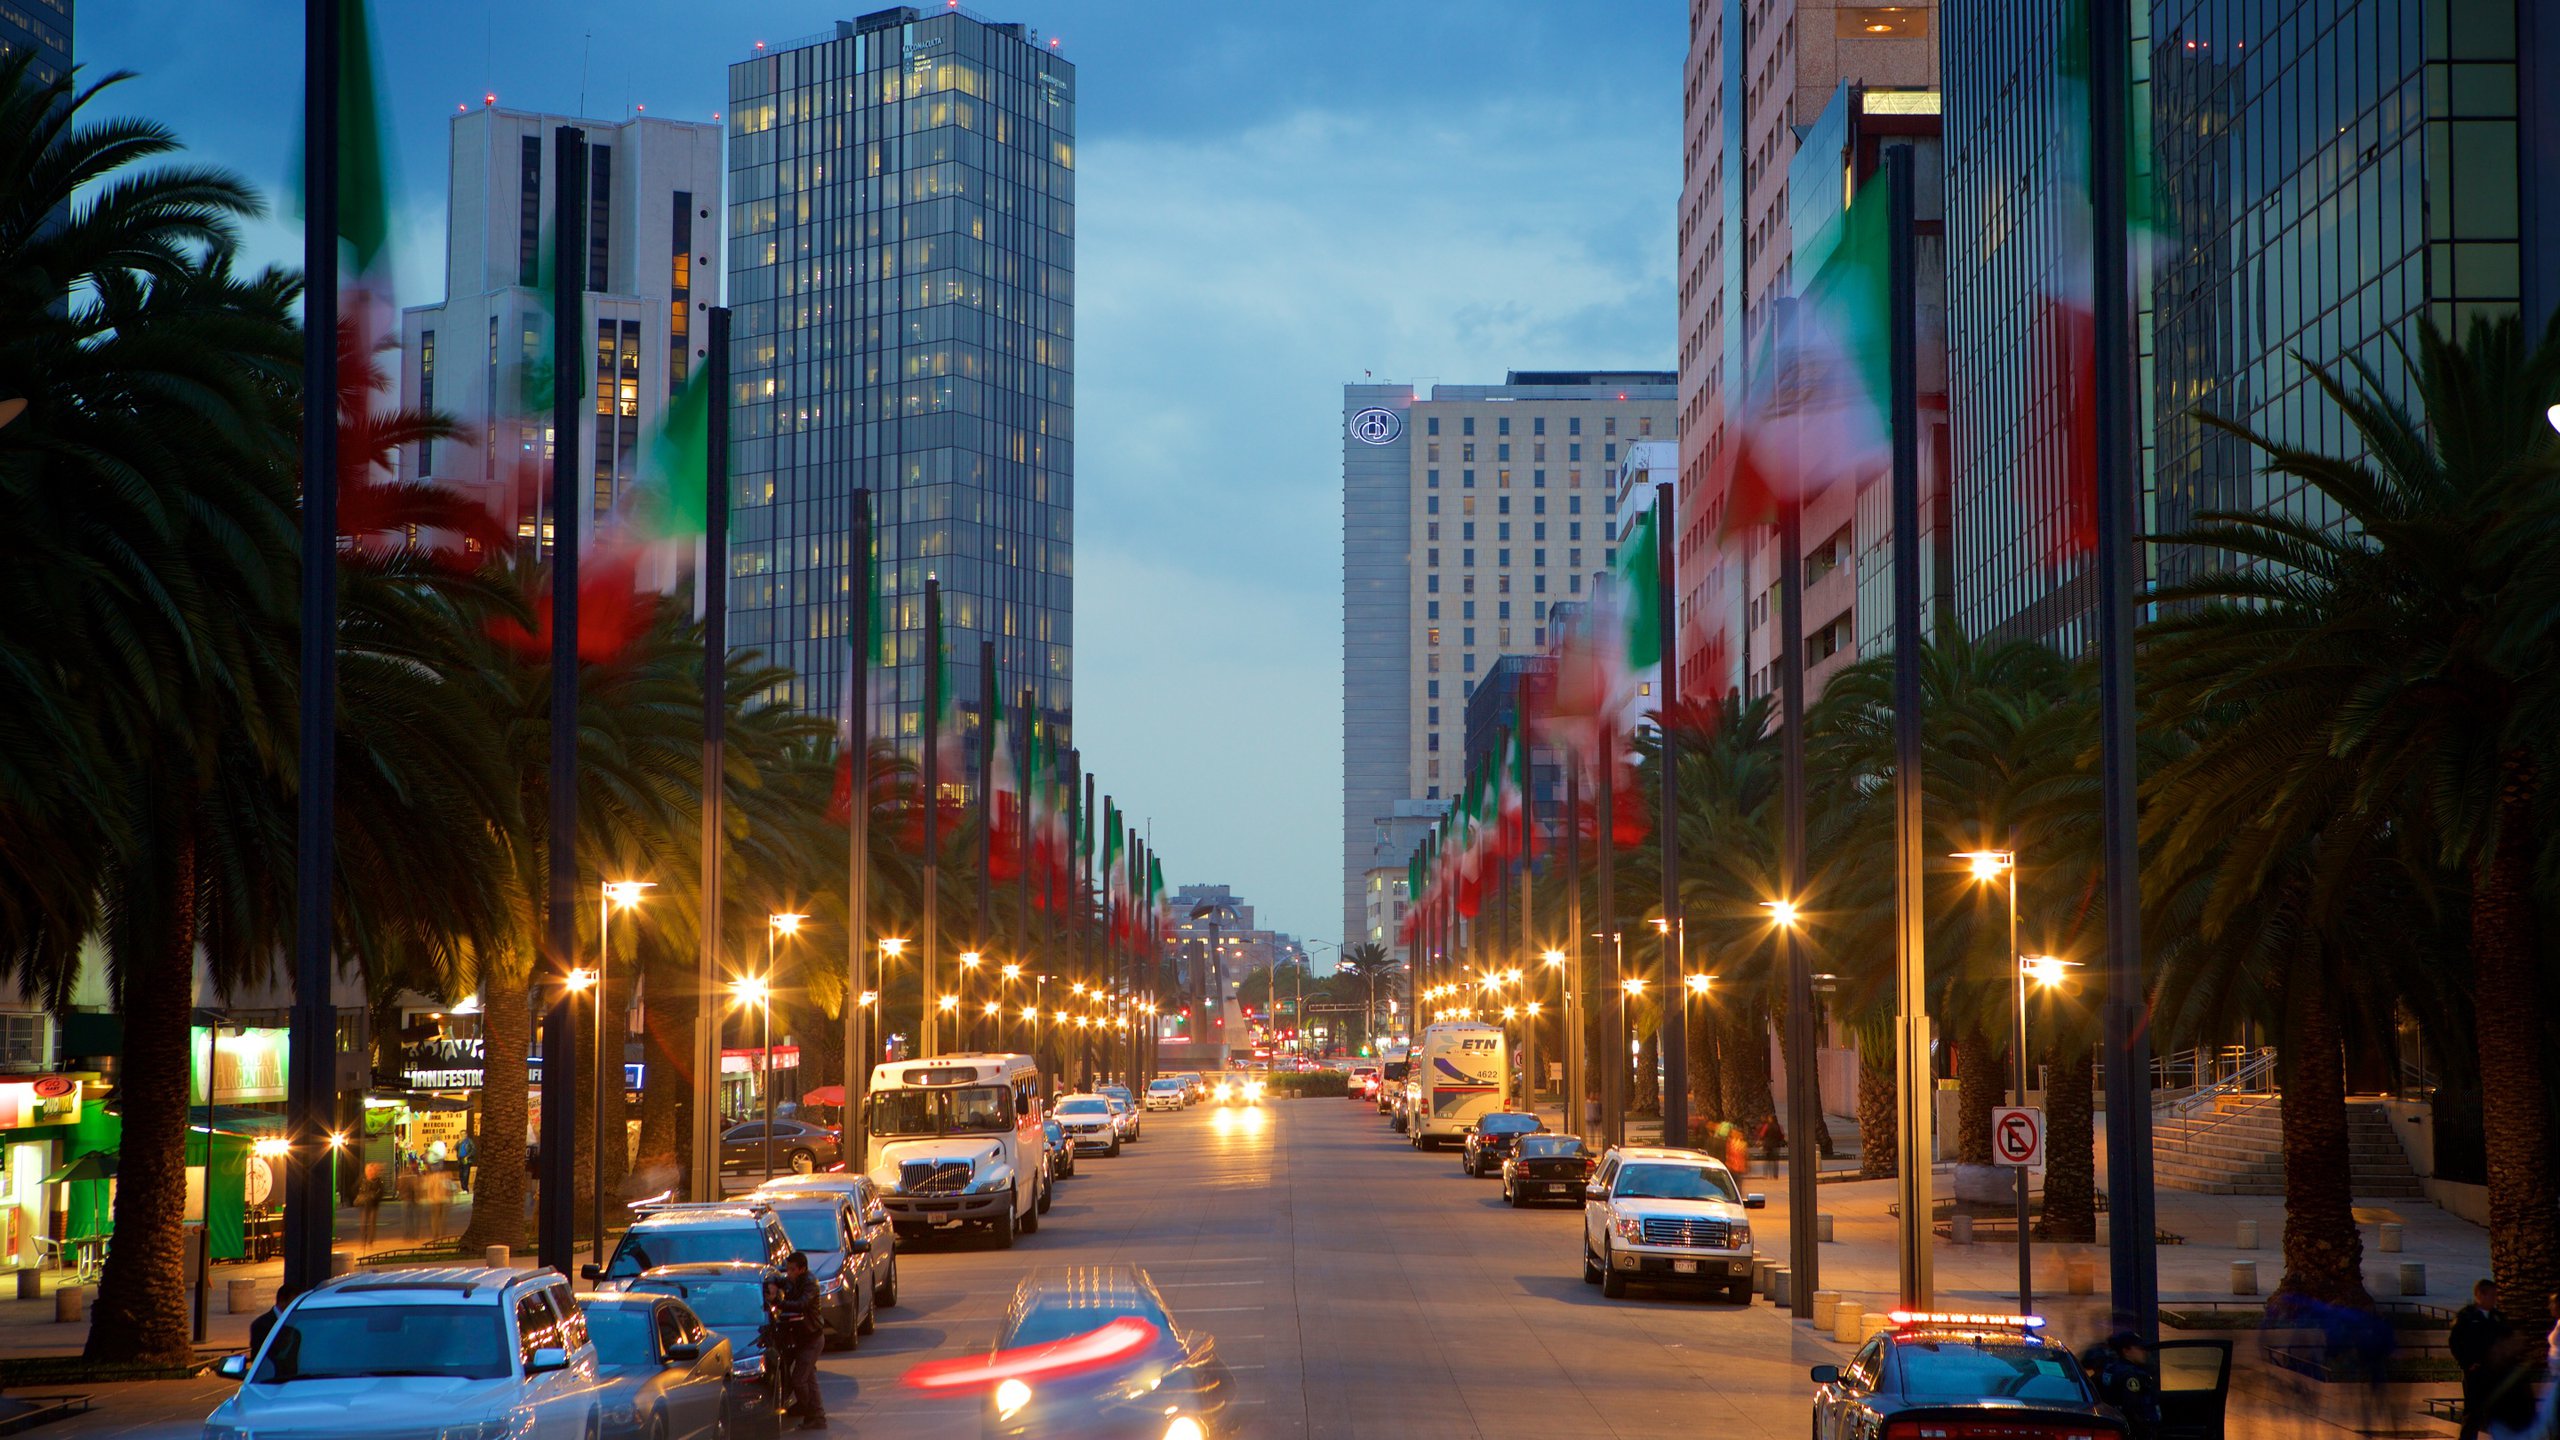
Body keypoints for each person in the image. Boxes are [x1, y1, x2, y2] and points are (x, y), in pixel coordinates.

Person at [766, 1252, 828, 1430]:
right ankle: (816, 1415)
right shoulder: (792, 1280)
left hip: (812, 1337)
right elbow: (777, 1278)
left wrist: (778, 1301)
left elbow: (802, 1304)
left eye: (792, 1269)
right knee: (809, 1378)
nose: (789, 1272)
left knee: (800, 1379)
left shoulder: (810, 1283)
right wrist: (772, 1283)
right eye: (788, 1268)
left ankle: (811, 1412)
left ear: (802, 1269)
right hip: (802, 1337)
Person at [2453, 1279, 2513, 1440]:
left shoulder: (2497, 1318)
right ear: (2480, 1295)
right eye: (2492, 1295)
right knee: (2473, 1413)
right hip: (2476, 1374)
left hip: (2495, 1373)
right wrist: (2467, 1363)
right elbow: (2455, 1342)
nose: (2495, 1299)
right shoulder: (2467, 1317)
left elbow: (2507, 1340)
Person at [2089, 1329, 2161, 1440]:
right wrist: (2145, 1431)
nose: (2144, 1352)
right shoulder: (2131, 1375)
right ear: (2126, 1351)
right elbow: (2132, 1409)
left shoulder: (2111, 1369)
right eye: (2139, 1348)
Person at [355, 1164, 385, 1249]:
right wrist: (359, 1197)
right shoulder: (362, 1179)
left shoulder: (378, 1181)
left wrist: (376, 1197)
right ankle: (363, 1241)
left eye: (372, 1170)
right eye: (369, 1170)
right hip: (364, 1205)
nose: (371, 1172)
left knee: (372, 1223)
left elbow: (381, 1192)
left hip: (373, 1205)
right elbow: (355, 1188)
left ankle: (369, 1242)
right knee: (363, 1223)